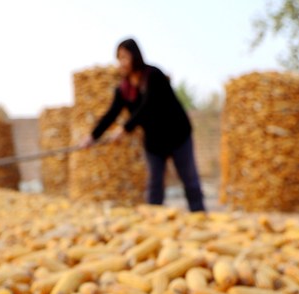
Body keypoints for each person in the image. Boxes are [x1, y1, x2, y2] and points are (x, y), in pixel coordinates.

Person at [80, 38, 206, 212]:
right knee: (154, 183)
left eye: (125, 57)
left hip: (177, 135)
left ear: (135, 56)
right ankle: (154, 218)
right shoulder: (123, 89)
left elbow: (149, 106)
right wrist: (92, 136)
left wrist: (125, 128)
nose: (121, 62)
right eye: (119, 58)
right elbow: (111, 114)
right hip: (154, 142)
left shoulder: (154, 76)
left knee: (189, 179)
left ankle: (199, 214)